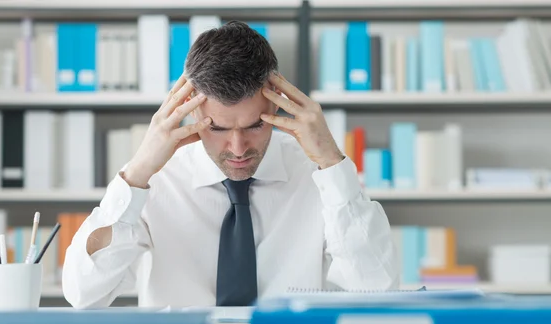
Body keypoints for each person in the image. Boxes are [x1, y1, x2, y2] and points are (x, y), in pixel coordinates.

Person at [62, 21, 398, 309]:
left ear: (277, 105)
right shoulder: (155, 180)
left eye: (255, 125)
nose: (237, 149)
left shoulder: (318, 175)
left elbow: (378, 291)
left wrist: (331, 163)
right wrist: (136, 174)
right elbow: (83, 294)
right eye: (218, 128)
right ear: (191, 111)